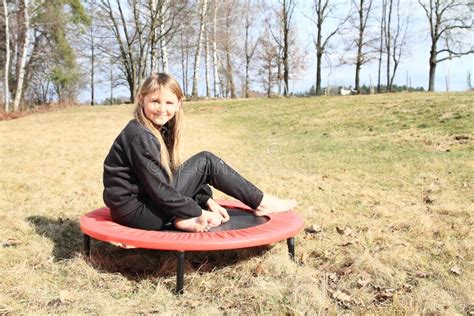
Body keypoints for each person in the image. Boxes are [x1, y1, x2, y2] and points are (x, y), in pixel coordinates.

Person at [102, 73, 297, 232]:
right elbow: (161, 190)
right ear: (141, 99)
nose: (162, 109)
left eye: (169, 103)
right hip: (139, 213)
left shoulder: (155, 130)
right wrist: (197, 212)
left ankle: (181, 217)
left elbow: (170, 176)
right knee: (206, 161)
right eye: (155, 101)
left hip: (140, 207)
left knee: (202, 164)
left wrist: (205, 199)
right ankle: (261, 202)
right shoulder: (140, 136)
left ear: (179, 104)